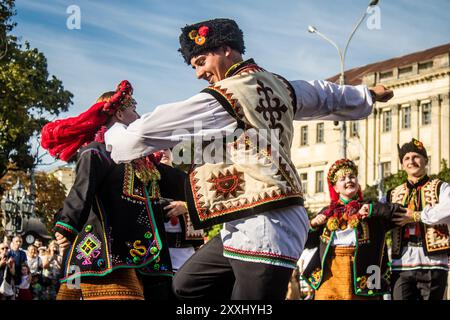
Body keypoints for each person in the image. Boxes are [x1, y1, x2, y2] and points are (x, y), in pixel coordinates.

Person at [105, 18, 394, 300]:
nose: (198, 74)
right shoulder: (281, 86)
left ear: (225, 50)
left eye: (201, 62)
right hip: (241, 220)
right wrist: (365, 94)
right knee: (186, 285)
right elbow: (323, 94)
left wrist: (111, 131)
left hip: (269, 225)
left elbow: (139, 136)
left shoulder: (222, 97)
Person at [40, 80, 185, 300]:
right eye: (133, 110)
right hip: (109, 252)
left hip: (152, 257)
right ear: (118, 115)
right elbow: (82, 189)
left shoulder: (144, 160)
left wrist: (201, 190)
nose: (138, 115)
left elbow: (173, 187)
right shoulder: (97, 152)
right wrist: (66, 224)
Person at [301, 159, 403, 300]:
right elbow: (307, 243)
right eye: (342, 178)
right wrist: (312, 224)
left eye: (352, 176)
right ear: (336, 188)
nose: (348, 180)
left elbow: (396, 212)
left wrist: (371, 209)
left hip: (362, 272)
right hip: (330, 273)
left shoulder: (369, 208)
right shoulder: (327, 212)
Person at [388, 138, 450, 300]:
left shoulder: (441, 187)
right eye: (406, 158)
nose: (411, 161)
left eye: (416, 156)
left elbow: (447, 210)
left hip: (433, 263)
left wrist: (416, 215)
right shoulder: (392, 193)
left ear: (425, 160)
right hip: (401, 264)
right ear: (402, 165)